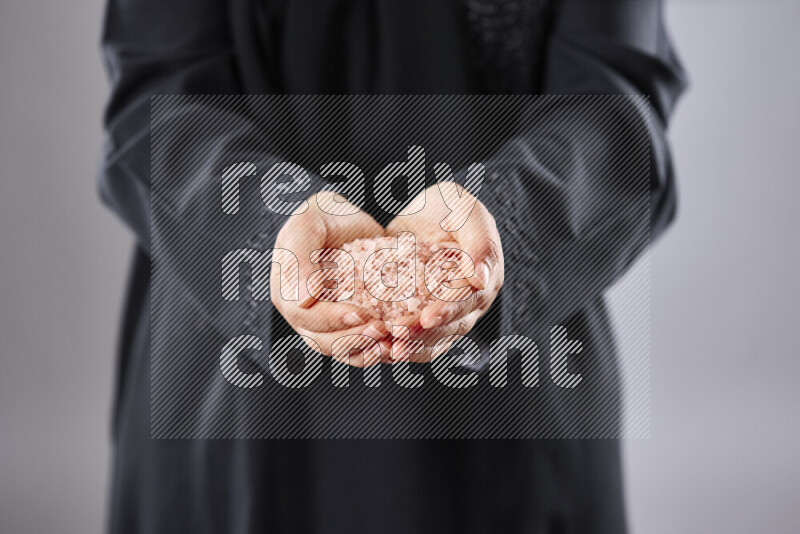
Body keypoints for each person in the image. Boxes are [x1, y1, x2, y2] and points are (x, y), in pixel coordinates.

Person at [99, 0, 686, 532]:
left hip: (514, 388)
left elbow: (617, 106)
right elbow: (158, 101)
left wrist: (505, 223)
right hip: (231, 393)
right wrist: (268, 227)